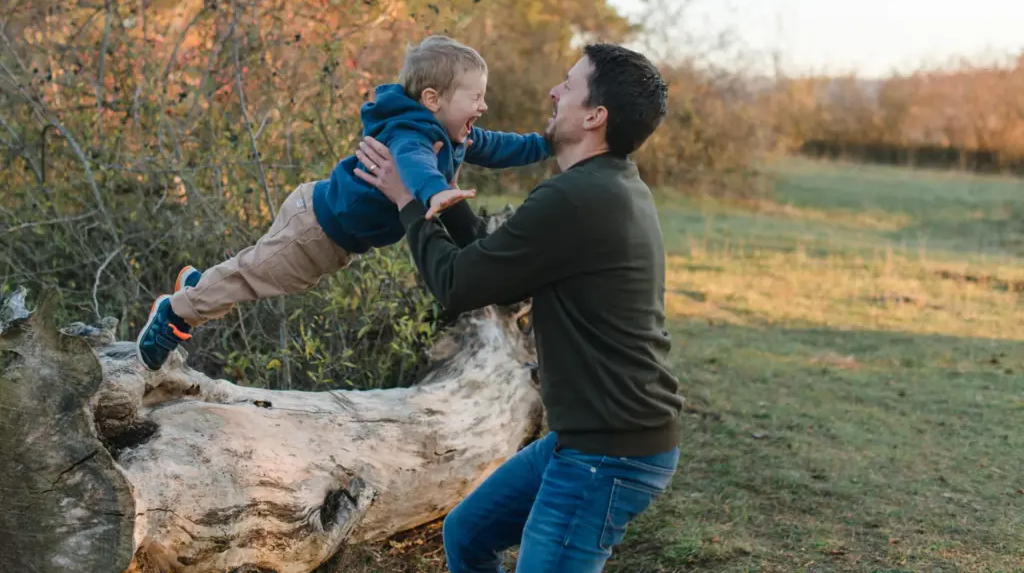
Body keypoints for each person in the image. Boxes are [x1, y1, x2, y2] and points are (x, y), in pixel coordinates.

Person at [353, 43, 684, 572]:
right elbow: (500, 278)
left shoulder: (575, 199)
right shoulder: (607, 185)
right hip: (589, 437)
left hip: (609, 451)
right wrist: (444, 197)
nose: (553, 92)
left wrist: (408, 203)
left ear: (595, 116)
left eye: (568, 86)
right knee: (467, 535)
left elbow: (455, 285)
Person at [135, 35, 552, 371]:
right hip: (315, 230)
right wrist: (434, 192)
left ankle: (201, 286)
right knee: (254, 277)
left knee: (258, 269)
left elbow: (499, 146)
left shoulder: (450, 133)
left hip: (323, 222)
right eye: (475, 97)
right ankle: (175, 313)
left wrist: (545, 144)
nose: (483, 106)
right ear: (432, 99)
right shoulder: (412, 134)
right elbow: (414, 165)